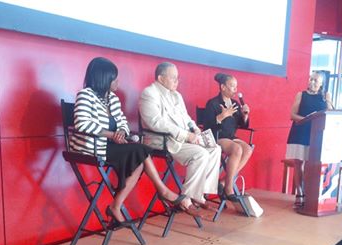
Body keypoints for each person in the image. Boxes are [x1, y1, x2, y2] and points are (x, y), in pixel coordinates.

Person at [72, 57, 194, 226]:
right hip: (92, 147)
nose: (117, 81)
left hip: (111, 146)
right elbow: (82, 124)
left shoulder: (112, 98)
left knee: (140, 157)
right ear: (103, 78)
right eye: (114, 78)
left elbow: (122, 122)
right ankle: (162, 191)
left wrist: (122, 131)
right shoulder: (85, 95)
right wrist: (111, 135)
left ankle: (116, 206)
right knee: (140, 152)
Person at [139, 62, 221, 213]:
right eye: (173, 78)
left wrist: (195, 130)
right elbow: (155, 122)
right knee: (200, 154)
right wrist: (185, 135)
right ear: (161, 78)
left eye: (178, 78)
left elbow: (186, 117)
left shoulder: (176, 95)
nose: (177, 82)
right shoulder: (149, 93)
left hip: (184, 138)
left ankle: (199, 193)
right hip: (163, 140)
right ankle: (187, 198)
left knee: (215, 148)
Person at [285, 71, 333, 208]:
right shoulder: (301, 95)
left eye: (315, 80)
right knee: (298, 163)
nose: (311, 82)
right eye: (310, 79)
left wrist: (328, 99)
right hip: (300, 132)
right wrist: (308, 119)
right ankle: (299, 193)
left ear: (321, 83)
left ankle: (310, 194)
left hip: (316, 134)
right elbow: (293, 115)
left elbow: (329, 114)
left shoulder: (325, 96)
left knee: (311, 164)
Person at [203, 73, 253, 201]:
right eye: (232, 86)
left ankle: (224, 182)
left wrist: (245, 115)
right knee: (237, 150)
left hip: (231, 137)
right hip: (217, 136)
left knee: (247, 149)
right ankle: (229, 188)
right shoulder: (213, 103)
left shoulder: (235, 103)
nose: (235, 90)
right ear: (223, 87)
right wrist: (221, 116)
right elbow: (207, 126)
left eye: (236, 87)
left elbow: (242, 124)